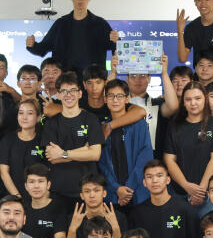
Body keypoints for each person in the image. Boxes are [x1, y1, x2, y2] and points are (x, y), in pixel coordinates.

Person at [26, 0, 118, 74]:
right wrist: (32, 45)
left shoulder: (100, 24)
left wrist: (116, 40)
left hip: (92, 83)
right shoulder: (61, 24)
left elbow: (116, 49)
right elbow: (42, 49)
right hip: (66, 82)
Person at [164, 81, 213, 216]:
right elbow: (169, 160)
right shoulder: (174, 125)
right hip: (180, 192)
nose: (193, 103)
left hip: (209, 195)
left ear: (205, 99)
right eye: (188, 99)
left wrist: (201, 191)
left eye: (198, 98)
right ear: (183, 102)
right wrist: (186, 186)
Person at [42, 71, 104, 202]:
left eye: (72, 90)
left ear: (80, 93)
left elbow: (95, 154)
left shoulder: (91, 119)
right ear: (58, 94)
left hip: (88, 191)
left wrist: (63, 153)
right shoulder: (51, 123)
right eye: (64, 91)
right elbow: (53, 158)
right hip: (59, 190)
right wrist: (84, 151)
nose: (68, 95)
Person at [129, 159, 198, 238]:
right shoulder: (137, 213)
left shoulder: (184, 208)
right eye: (149, 177)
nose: (155, 180)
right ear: (144, 182)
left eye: (159, 175)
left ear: (168, 180)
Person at [99, 79, 153, 209]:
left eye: (119, 96)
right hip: (113, 195)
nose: (115, 100)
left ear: (127, 99)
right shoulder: (102, 128)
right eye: (111, 96)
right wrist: (117, 189)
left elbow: (145, 158)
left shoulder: (139, 124)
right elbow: (102, 164)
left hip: (138, 192)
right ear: (105, 99)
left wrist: (128, 189)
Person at [126, 55, 180, 153]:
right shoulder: (120, 104)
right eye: (133, 75)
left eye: (142, 76)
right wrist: (113, 72)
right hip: (125, 158)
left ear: (149, 78)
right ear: (127, 79)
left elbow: (173, 107)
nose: (138, 80)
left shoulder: (157, 104)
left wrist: (164, 73)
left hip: (152, 160)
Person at [67, 173, 127, 238]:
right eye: (87, 191)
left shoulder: (119, 217)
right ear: (82, 196)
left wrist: (115, 227)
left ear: (104, 193)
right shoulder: (73, 219)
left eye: (96, 190)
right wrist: (72, 230)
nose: (92, 195)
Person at [0, 99, 48, 198]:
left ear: (38, 117)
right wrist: (17, 197)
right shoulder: (8, 140)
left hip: (38, 197)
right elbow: (4, 173)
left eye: (30, 113)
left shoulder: (43, 140)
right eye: (21, 113)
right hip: (13, 197)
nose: (24, 117)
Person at [22, 163, 68, 238]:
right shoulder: (22, 209)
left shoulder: (58, 207)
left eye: (40, 181)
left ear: (48, 185)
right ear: (26, 186)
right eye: (31, 182)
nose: (36, 186)